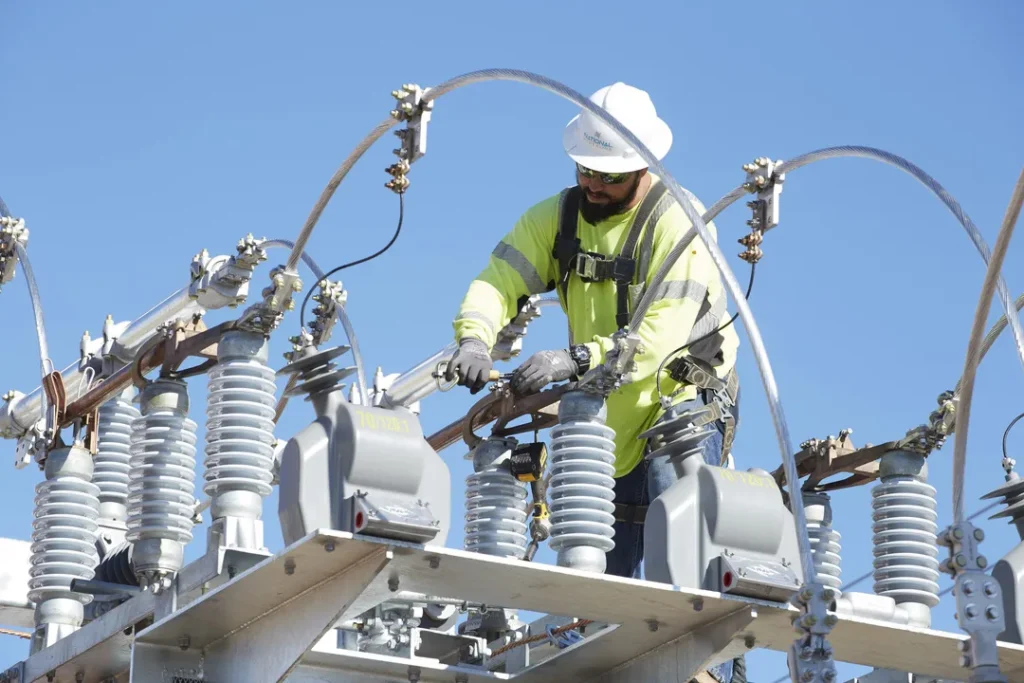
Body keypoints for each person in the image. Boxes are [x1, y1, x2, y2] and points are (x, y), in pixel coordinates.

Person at [445, 82, 742, 683]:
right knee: (598, 571)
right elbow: (497, 280)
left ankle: (706, 671)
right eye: (586, 171)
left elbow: (661, 339)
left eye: (608, 176)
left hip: (678, 403)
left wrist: (574, 360)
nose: (594, 185)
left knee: (678, 540)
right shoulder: (557, 219)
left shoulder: (678, 224)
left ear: (643, 168)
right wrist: (475, 336)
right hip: (608, 412)